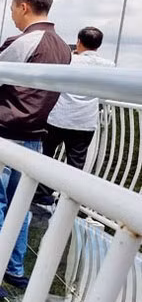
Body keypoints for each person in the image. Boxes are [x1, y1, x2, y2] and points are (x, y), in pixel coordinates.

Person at [0, 0, 72, 298]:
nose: (11, 14)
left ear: (24, 6)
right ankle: (14, 269)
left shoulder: (26, 40)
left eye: (12, 8)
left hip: (2, 136)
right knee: (20, 207)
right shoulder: (63, 47)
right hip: (34, 138)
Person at [33, 27, 115, 205]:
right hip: (85, 121)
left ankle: (41, 194)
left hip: (57, 117)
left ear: (78, 41)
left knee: (46, 156)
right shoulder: (109, 66)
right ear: (99, 45)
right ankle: (68, 200)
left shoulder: (68, 59)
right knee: (76, 163)